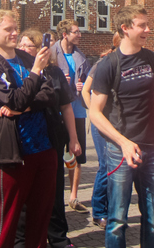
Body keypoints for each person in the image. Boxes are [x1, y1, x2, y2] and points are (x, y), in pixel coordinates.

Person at [88, 4, 154, 248]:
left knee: (153, 218)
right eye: (142, 25)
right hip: (120, 150)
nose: (148, 29)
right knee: (117, 220)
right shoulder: (108, 64)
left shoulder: (150, 59)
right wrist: (124, 142)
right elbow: (95, 112)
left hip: (152, 148)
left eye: (148, 24)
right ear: (125, 28)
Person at [0, 10, 67, 248]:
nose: (14, 33)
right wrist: (34, 75)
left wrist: (25, 109)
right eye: (8, 29)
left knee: (40, 217)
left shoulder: (28, 59)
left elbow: (50, 94)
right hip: (15, 154)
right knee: (8, 218)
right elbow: (13, 100)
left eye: (14, 28)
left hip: (46, 147)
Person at [15, 27, 82, 248]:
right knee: (25, 193)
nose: (24, 49)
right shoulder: (18, 71)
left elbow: (66, 107)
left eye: (28, 45)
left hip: (52, 138)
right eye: (21, 45)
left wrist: (73, 138)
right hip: (25, 140)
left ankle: (58, 237)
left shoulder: (54, 73)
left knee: (54, 191)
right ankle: (23, 239)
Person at [50, 19, 91, 213]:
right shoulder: (51, 55)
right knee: (57, 152)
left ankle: (73, 197)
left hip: (77, 109)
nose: (79, 35)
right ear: (65, 34)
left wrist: (83, 87)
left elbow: (88, 80)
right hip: (56, 110)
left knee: (77, 152)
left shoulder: (80, 56)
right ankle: (54, 192)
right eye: (75, 32)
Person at [81, 33, 120, 229]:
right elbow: (84, 90)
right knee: (105, 166)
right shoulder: (102, 64)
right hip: (102, 124)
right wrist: (94, 113)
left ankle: (113, 210)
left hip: (118, 124)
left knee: (117, 168)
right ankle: (99, 212)